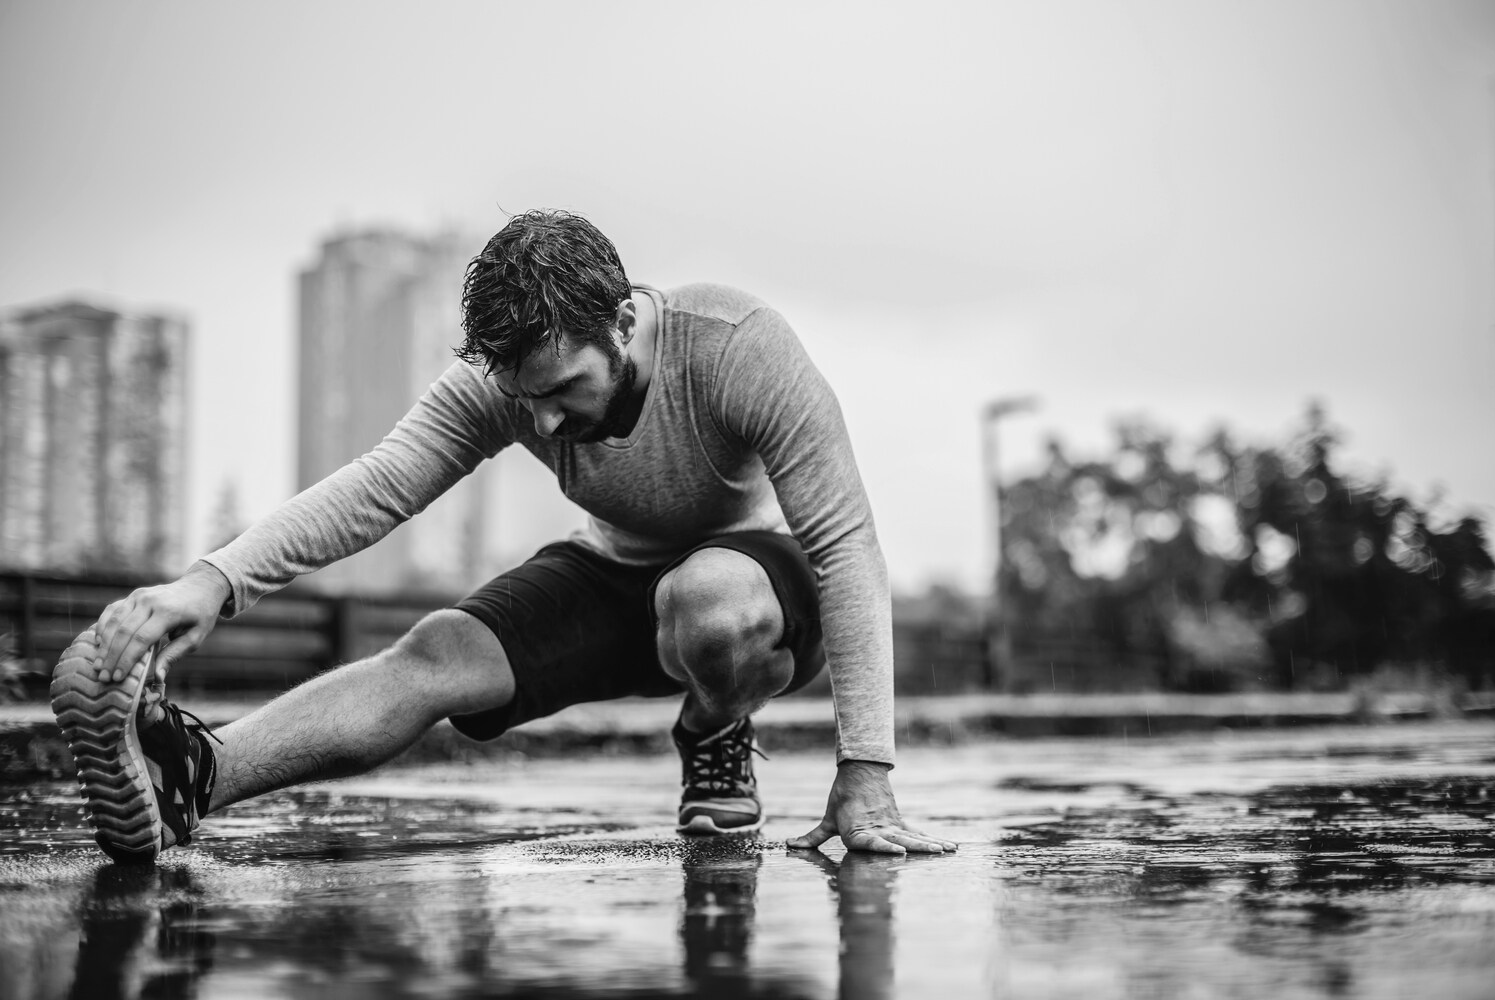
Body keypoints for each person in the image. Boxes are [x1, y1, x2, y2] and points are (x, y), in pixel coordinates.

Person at [50, 209, 958, 865]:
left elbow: (845, 544)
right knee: (436, 651)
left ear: (625, 322)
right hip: (613, 571)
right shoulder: (510, 384)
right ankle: (194, 778)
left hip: (758, 591)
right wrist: (212, 582)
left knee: (706, 599)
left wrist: (866, 769)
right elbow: (377, 488)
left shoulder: (737, 347)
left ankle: (714, 730)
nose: (547, 425)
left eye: (565, 390)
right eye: (526, 401)